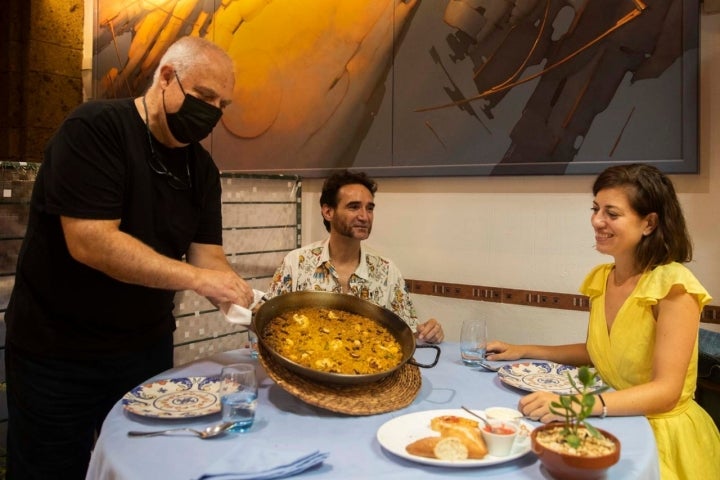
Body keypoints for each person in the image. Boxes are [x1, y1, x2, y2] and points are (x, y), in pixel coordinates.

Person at [4, 36, 255, 479]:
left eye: (222, 104)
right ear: (165, 77)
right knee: (51, 469)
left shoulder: (203, 170)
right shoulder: (95, 128)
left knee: (146, 464)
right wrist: (197, 281)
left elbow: (207, 255)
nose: (213, 113)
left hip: (144, 349)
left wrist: (237, 294)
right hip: (58, 352)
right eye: (203, 97)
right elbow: (91, 241)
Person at [486, 163, 720, 480]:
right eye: (596, 209)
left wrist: (573, 404)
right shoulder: (603, 279)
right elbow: (602, 352)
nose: (597, 221)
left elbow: (666, 391)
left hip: (662, 437)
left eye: (612, 213)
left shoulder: (674, 286)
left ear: (649, 223)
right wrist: (524, 349)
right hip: (613, 418)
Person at [265, 170, 444, 343]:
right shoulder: (295, 264)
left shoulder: (387, 272)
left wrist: (429, 333)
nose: (364, 217)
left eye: (370, 208)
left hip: (369, 369)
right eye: (354, 207)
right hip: (305, 368)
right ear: (328, 212)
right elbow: (268, 322)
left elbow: (408, 335)